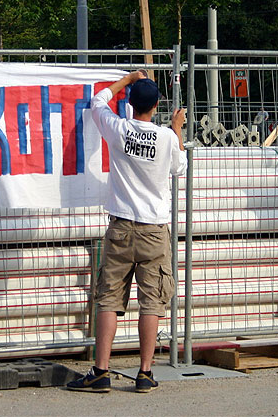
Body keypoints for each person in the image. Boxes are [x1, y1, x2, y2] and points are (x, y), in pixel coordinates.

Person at [67, 71, 187, 393]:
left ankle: (100, 371)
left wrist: (127, 79)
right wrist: (176, 129)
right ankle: (145, 372)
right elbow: (180, 167)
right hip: (154, 229)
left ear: (130, 104)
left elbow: (97, 102)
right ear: (157, 106)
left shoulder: (119, 129)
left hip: (121, 225)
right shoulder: (165, 137)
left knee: (109, 298)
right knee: (151, 302)